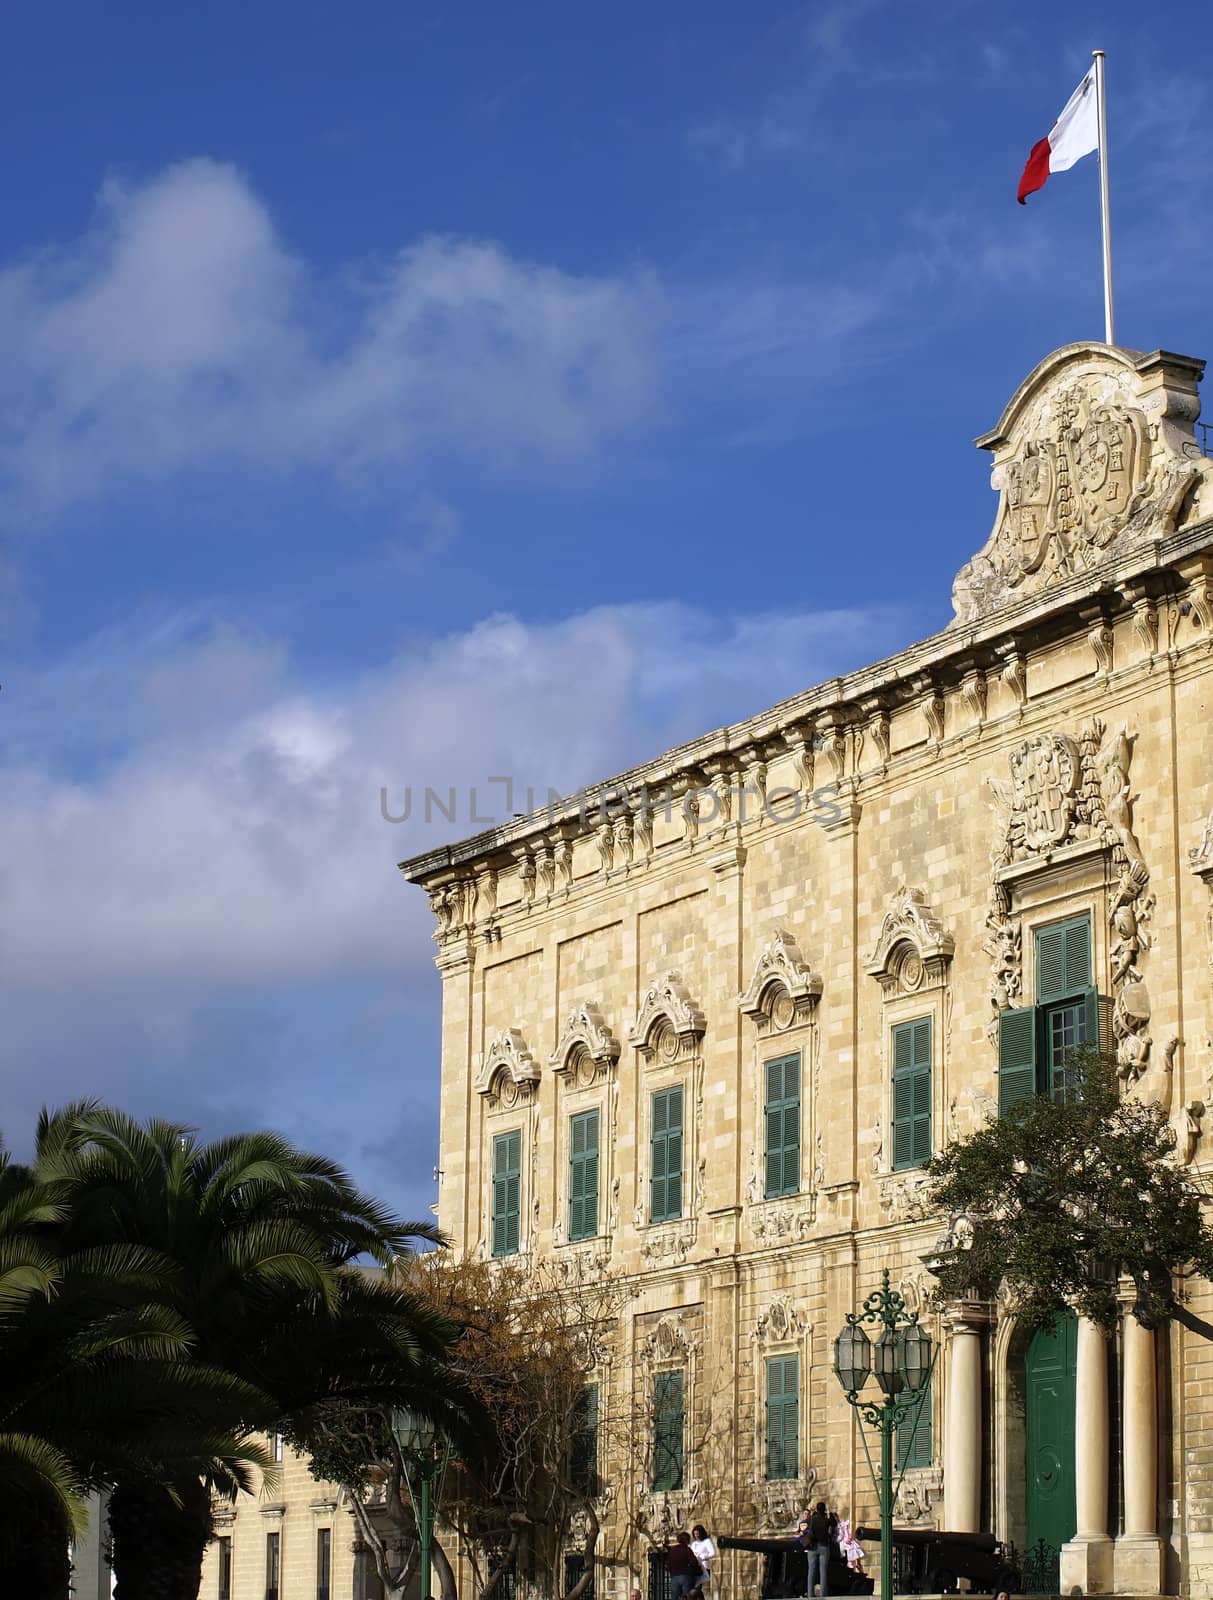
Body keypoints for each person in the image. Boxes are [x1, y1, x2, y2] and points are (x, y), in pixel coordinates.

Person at [797, 1500, 833, 1598]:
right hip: (824, 1546)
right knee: (823, 1571)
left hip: (812, 1547)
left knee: (811, 1570)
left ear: (817, 1509)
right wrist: (830, 1514)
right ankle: (823, 1594)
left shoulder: (812, 1519)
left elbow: (805, 1524)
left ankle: (810, 1594)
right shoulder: (827, 1520)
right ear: (824, 1510)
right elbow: (834, 1524)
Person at [666, 1530, 703, 1600]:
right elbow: (694, 1562)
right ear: (687, 1540)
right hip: (685, 1576)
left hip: (674, 1577)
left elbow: (668, 1564)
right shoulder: (687, 1549)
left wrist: (672, 1573)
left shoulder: (672, 1550)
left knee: (674, 1597)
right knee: (687, 1597)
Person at [689, 1524, 716, 1593]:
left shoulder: (707, 1541)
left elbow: (713, 1553)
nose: (696, 1536)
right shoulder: (694, 1543)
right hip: (695, 1567)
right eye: (695, 1534)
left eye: (697, 1534)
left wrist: (702, 1557)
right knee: (695, 1589)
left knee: (697, 1589)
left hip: (703, 1567)